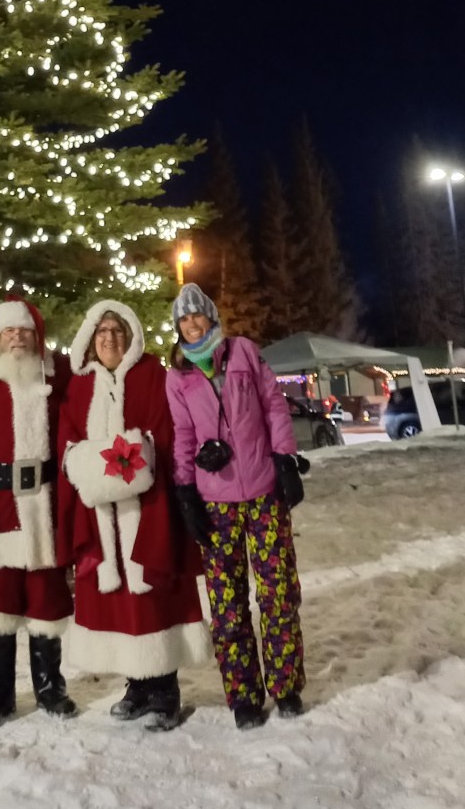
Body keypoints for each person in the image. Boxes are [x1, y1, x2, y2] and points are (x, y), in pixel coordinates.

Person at [57, 300, 210, 730]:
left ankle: (165, 690)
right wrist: (86, 465)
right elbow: (67, 442)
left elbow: (165, 432)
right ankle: (136, 685)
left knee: (152, 594)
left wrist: (132, 460)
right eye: (102, 331)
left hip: (149, 508)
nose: (109, 338)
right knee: (118, 600)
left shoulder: (152, 377)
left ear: (131, 337)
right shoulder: (80, 386)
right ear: (90, 339)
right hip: (100, 517)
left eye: (117, 331)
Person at [165, 284, 308, 730]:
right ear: (178, 328)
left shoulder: (244, 352)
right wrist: (186, 489)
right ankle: (244, 695)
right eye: (184, 320)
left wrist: (284, 459)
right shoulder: (179, 375)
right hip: (216, 503)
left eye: (198, 316)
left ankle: (285, 687)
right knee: (228, 605)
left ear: (211, 317)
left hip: (263, 493)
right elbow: (183, 434)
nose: (192, 324)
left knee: (278, 595)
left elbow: (274, 407)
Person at [0, 296, 76, 725]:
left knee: (47, 600)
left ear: (37, 334)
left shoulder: (58, 371)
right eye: (9, 330)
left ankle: (51, 688)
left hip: (46, 503)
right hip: (0, 505)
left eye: (24, 330)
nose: (17, 337)